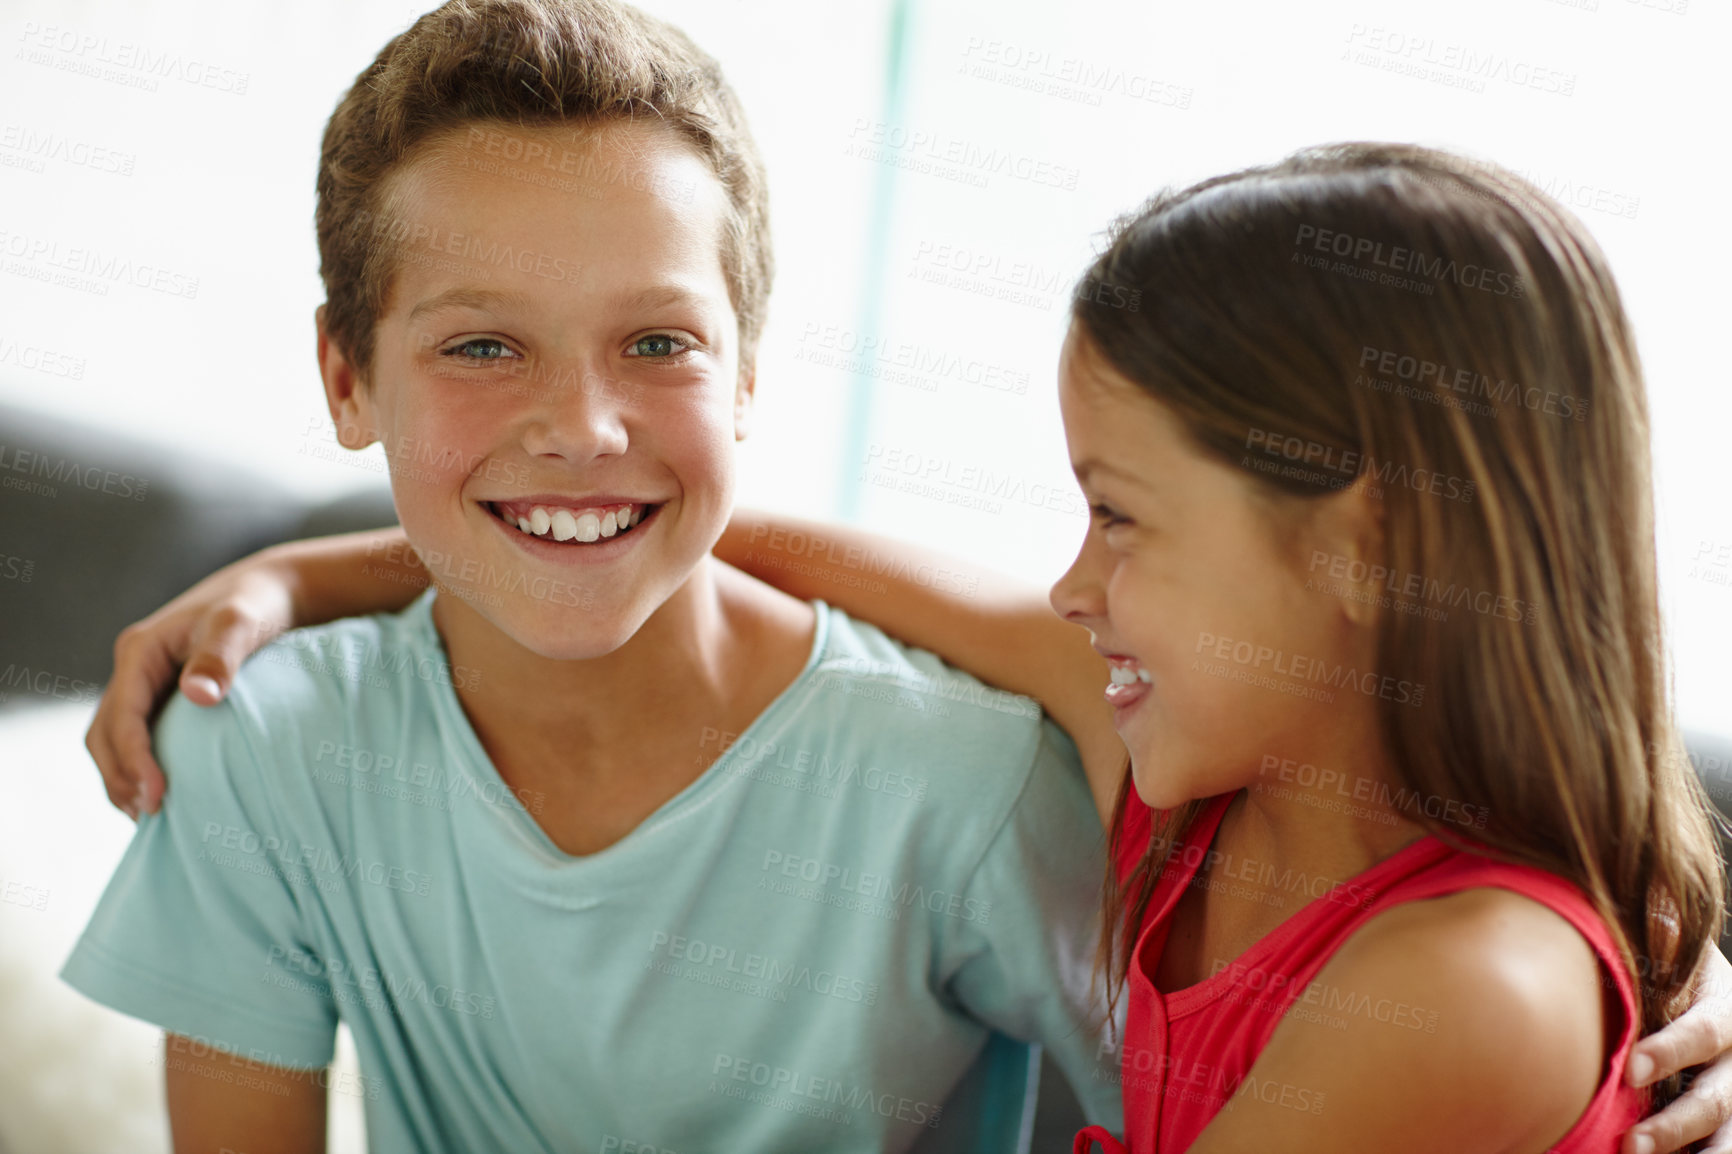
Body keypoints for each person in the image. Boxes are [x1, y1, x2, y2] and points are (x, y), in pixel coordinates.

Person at [87, 143, 1732, 1152]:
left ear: (1371, 546)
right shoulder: (1171, 763)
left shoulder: (1471, 988)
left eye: (1120, 516)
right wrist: (329, 567)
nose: (1068, 585)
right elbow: (716, 531)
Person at [57, 2, 1123, 1151]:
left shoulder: (964, 783)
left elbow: (1204, 1099)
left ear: (747, 377)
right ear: (345, 377)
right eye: (482, 345)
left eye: (657, 343)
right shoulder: (264, 749)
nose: (582, 428)